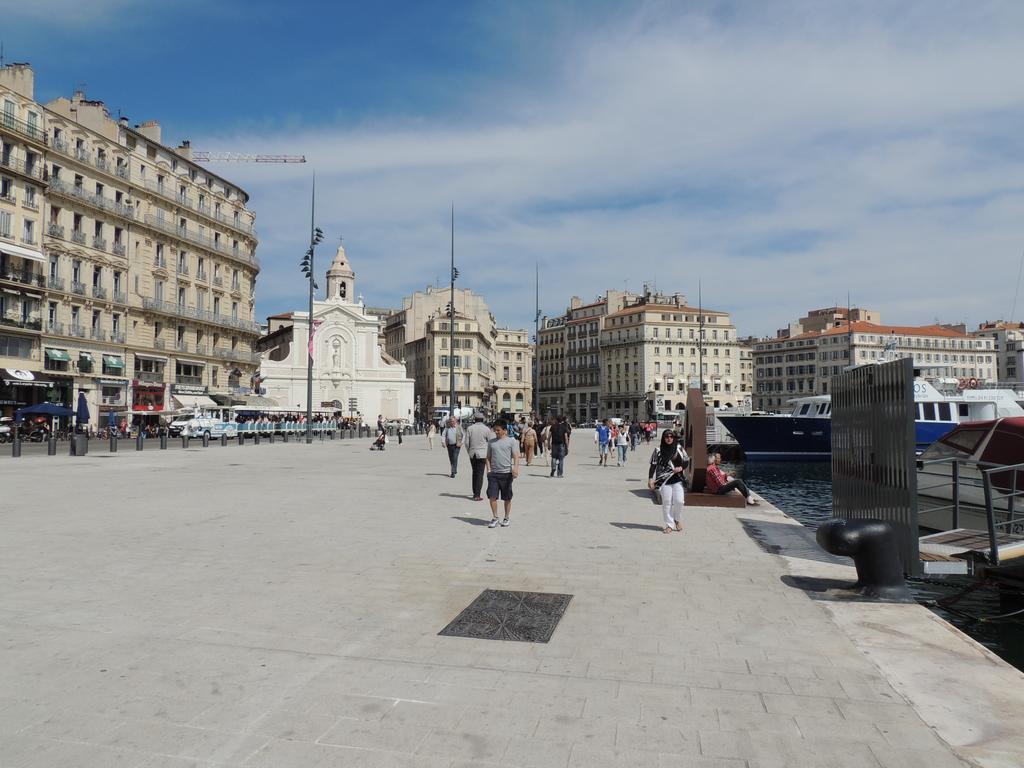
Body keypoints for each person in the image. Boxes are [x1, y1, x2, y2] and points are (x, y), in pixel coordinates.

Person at [648, 430, 689, 534]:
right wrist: (650, 479)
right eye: (667, 436)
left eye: (671, 436)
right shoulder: (657, 450)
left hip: (677, 479)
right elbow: (653, 465)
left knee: (679, 501)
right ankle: (669, 524)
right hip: (664, 480)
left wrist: (681, 467)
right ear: (663, 438)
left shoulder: (679, 448)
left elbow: (686, 460)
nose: (669, 438)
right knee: (667, 503)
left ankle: (677, 519)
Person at [485, 420, 520, 528]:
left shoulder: (511, 441)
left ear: (505, 430)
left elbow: (515, 456)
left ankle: (506, 517)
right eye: (495, 430)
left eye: (498, 430)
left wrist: (516, 468)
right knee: (492, 496)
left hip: (507, 474)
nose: (496, 432)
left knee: (507, 497)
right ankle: (495, 517)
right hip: (494, 474)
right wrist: (488, 470)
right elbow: (488, 457)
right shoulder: (491, 442)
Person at [464, 413, 495, 501]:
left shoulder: (470, 428)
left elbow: (466, 442)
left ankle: (475, 492)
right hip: (482, 454)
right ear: (483, 420)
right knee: (480, 474)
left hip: (472, 454)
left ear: (475, 419)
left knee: (474, 473)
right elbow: (490, 442)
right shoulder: (486, 429)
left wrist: (469, 451)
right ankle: (477, 494)